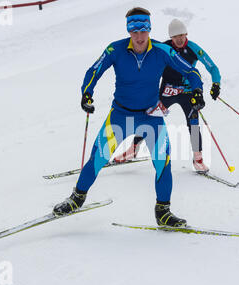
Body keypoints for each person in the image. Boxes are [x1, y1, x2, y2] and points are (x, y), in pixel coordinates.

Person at [52, 8, 205, 227]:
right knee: (97, 159)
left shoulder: (162, 51)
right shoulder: (116, 49)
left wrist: (197, 91)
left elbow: (191, 71)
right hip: (120, 116)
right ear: (129, 31)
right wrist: (87, 93)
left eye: (143, 30)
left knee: (163, 164)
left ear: (150, 29)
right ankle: (77, 199)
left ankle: (163, 212)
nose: (140, 36)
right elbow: (93, 71)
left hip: (151, 117)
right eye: (134, 31)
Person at [114, 18, 221, 173]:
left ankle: (198, 158)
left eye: (182, 35)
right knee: (148, 117)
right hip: (167, 91)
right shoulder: (163, 47)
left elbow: (212, 67)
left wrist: (216, 84)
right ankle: (134, 149)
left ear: (186, 33)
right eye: (175, 36)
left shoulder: (193, 48)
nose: (179, 39)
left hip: (188, 92)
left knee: (193, 123)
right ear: (171, 37)